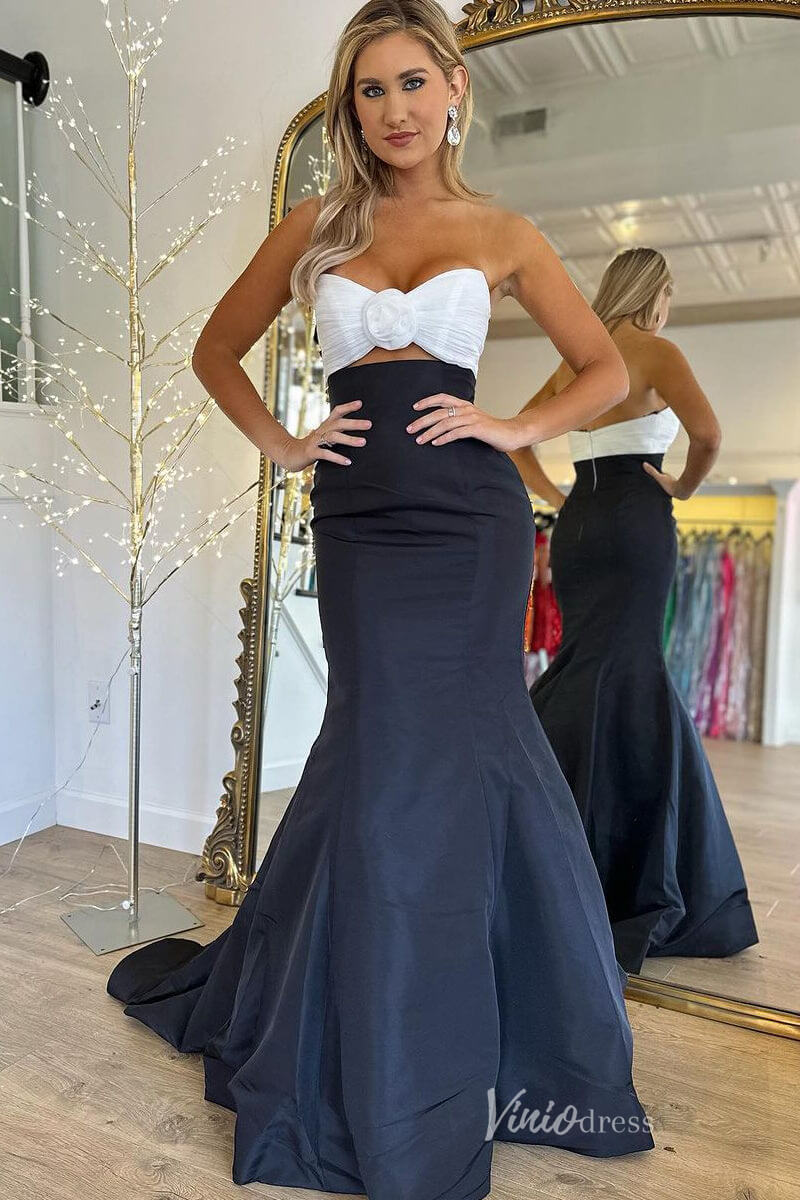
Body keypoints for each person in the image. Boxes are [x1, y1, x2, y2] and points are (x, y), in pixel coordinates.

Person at [106, 4, 655, 1195]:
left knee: (475, 749)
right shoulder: (317, 225)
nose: (393, 109)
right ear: (350, 109)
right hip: (359, 522)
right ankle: (358, 1019)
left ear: (453, 89)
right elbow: (215, 349)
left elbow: (605, 369)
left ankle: (501, 1025)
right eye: (369, 90)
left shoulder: (500, 230)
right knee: (370, 750)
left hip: (470, 524)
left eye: (412, 83)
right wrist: (285, 443)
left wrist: (509, 427)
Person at [510, 247, 759, 977]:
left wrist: (561, 500)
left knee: (587, 663)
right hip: (637, 519)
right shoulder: (656, 351)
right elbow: (709, 434)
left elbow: (521, 439)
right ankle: (631, 866)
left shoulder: (578, 356)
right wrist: (683, 486)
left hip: (580, 524)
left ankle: (552, 834)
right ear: (658, 294)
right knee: (632, 669)